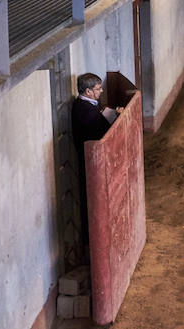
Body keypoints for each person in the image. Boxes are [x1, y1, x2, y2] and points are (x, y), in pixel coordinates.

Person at [71, 73, 123, 246]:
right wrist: (117, 118)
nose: (101, 91)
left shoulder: (86, 105)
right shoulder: (85, 110)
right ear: (88, 91)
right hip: (92, 165)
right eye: (98, 89)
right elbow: (101, 131)